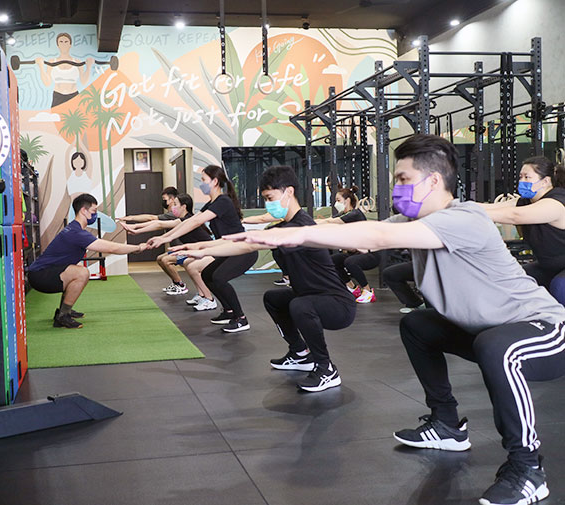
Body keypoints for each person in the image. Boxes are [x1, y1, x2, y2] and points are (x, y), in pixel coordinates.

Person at [226, 134, 565, 505]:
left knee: (496, 347)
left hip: (546, 330)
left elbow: (378, 234)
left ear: (433, 181)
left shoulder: (462, 218)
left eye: (403, 179)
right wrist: (225, 244)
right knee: (418, 325)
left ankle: (528, 469)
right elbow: (349, 235)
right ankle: (447, 425)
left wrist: (291, 235)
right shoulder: (414, 218)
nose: (397, 187)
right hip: (491, 332)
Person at [173, 166, 356, 391]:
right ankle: (300, 353)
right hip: (311, 296)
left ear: (289, 192)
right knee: (273, 298)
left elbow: (249, 244)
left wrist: (203, 251)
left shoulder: (301, 225)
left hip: (338, 305)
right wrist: (200, 247)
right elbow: (244, 239)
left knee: (300, 305)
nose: (268, 204)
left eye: (270, 198)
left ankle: (326, 368)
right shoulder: (286, 225)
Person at [147, 165, 257, 333]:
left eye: (204, 180)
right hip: (227, 249)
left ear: (215, 181)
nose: (201, 183)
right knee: (207, 274)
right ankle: (228, 311)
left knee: (219, 278)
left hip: (242, 250)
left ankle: (241, 318)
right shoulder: (211, 204)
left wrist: (166, 238)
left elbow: (196, 222)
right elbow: (189, 221)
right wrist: (164, 238)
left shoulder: (223, 201)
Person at [28, 194, 147, 328]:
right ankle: (63, 317)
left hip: (42, 273)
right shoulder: (76, 232)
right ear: (83, 211)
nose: (96, 215)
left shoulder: (74, 228)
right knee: (82, 273)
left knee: (78, 268)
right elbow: (112, 248)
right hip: (40, 276)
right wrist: (138, 248)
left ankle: (63, 310)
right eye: (94, 211)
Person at [481, 156, 565, 305]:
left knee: (560, 287)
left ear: (545, 181)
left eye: (527, 177)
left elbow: (514, 216)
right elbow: (489, 207)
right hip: (550, 266)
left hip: (561, 269)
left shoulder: (556, 203)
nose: (522, 181)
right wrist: (454, 207)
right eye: (521, 177)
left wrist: (470, 214)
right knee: (509, 279)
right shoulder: (525, 202)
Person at [121, 193, 217, 309]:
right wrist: (137, 229)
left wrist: (136, 228)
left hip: (207, 252)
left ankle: (208, 298)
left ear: (184, 206)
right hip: (193, 251)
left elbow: (159, 224)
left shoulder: (188, 220)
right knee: (178, 261)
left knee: (189, 265)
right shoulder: (182, 220)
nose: (173, 207)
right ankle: (201, 295)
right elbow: (160, 226)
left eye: (175, 204)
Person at [316, 186, 379, 304]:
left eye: (338, 200)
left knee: (350, 262)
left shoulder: (354, 214)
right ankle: (352, 288)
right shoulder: (342, 214)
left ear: (348, 200)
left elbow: (330, 221)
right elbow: (327, 220)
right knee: (332, 261)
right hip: (356, 253)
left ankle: (368, 291)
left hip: (370, 254)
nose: (336, 203)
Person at [36, 32, 95, 108]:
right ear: (58, 45)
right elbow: (47, 83)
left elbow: (83, 81)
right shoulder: (52, 62)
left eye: (66, 42)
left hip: (73, 96)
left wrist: (89, 67)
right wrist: (41, 66)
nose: (63, 44)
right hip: (58, 97)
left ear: (70, 44)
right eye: (61, 42)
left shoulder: (77, 62)